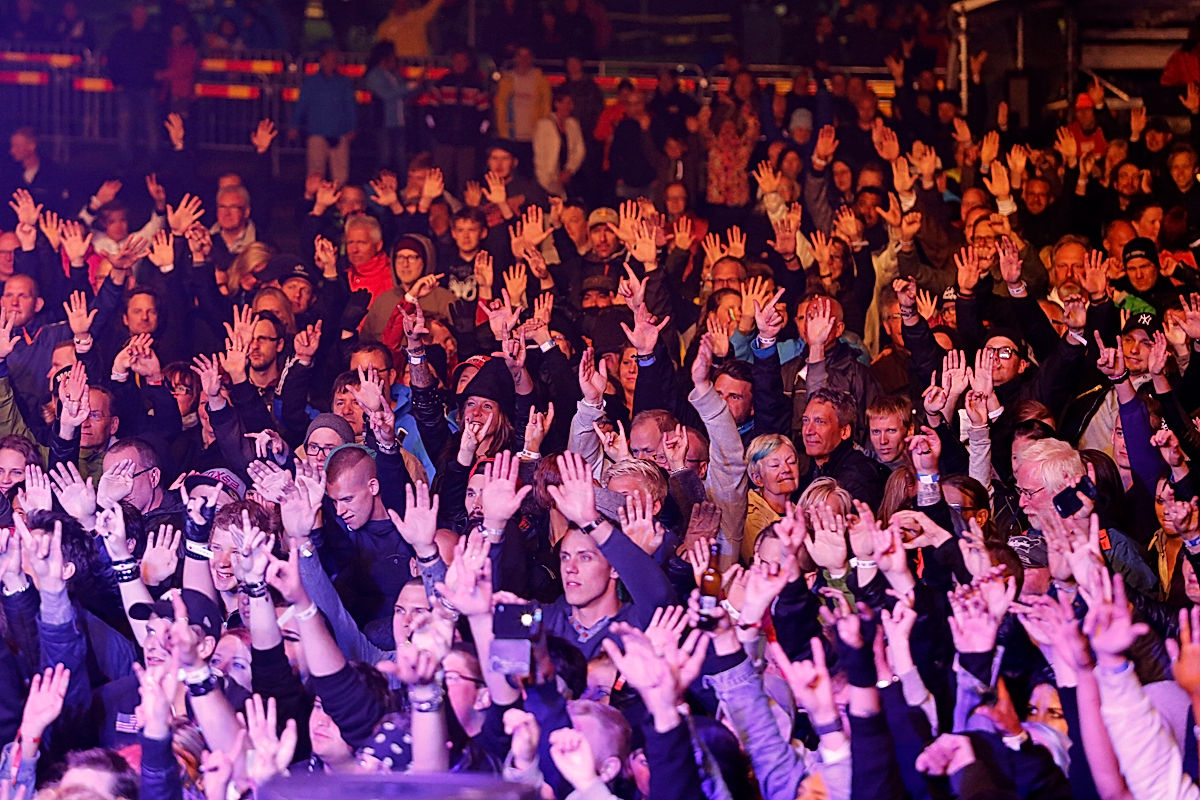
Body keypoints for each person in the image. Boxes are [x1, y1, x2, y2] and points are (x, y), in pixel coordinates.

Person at [289, 43, 358, 186]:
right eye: (328, 58)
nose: (331, 62)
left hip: (340, 132)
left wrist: (353, 127)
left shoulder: (344, 83)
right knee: (315, 173)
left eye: (334, 59)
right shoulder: (311, 82)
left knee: (341, 175)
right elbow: (301, 104)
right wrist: (294, 125)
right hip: (317, 132)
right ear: (322, 60)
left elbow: (350, 106)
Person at [107, 3, 165, 167]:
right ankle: (126, 160)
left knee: (151, 125)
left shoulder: (153, 37)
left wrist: (155, 84)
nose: (140, 17)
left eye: (143, 14)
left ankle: (154, 161)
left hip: (147, 87)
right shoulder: (121, 36)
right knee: (125, 126)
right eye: (138, 14)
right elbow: (113, 59)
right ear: (133, 15)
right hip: (126, 86)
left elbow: (159, 61)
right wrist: (117, 81)